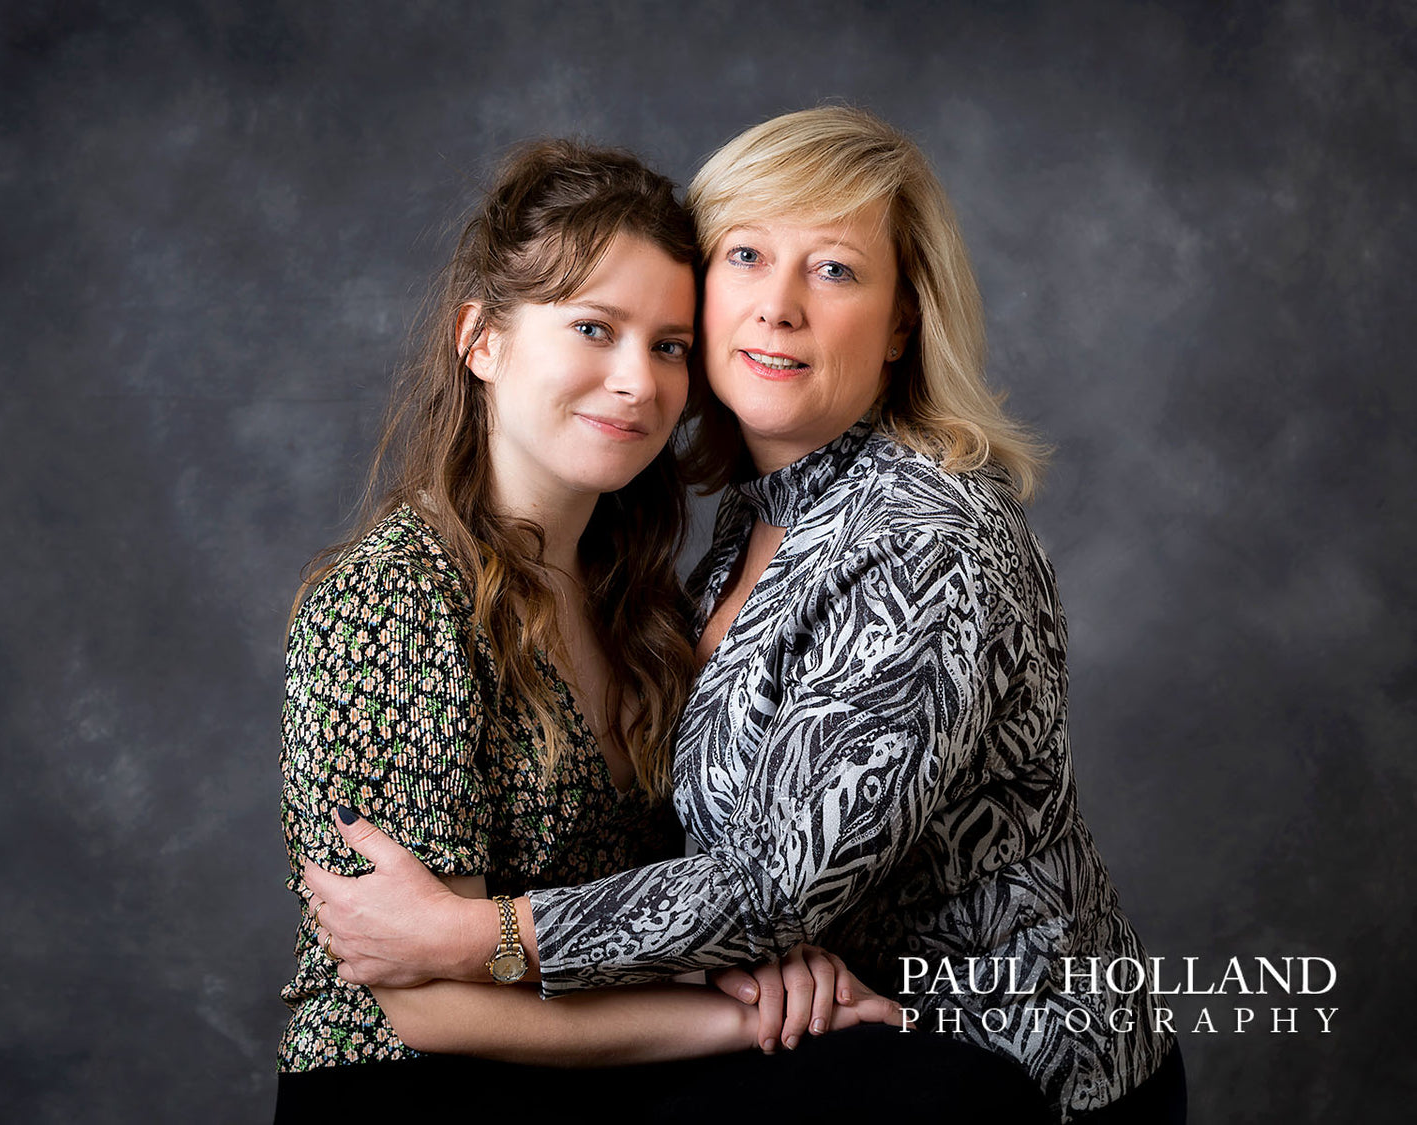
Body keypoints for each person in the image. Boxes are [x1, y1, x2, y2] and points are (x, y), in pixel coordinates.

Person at [306, 108, 1189, 1123]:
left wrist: (475, 938)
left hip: (1015, 1080)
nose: (777, 307)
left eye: (835, 271)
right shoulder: (746, 524)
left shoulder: (926, 535)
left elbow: (777, 884)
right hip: (835, 1062)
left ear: (903, 321)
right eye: (746, 256)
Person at [275, 139, 901, 1121]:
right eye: (594, 329)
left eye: (667, 346)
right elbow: (426, 1005)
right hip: (414, 1092)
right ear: (480, 340)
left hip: (605, 1076)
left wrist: (763, 971)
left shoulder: (641, 600)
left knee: (934, 1086)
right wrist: (737, 1017)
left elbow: (666, 905)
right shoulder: (391, 604)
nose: (638, 384)